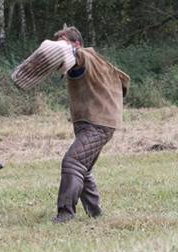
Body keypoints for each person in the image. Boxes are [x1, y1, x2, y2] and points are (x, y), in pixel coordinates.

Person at [11, 25, 130, 223]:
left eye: (64, 42)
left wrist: (60, 48)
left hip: (97, 124)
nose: (60, 46)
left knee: (72, 163)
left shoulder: (82, 56)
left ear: (76, 43)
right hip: (96, 122)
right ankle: (96, 213)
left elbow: (70, 54)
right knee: (84, 167)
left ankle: (65, 214)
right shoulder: (97, 60)